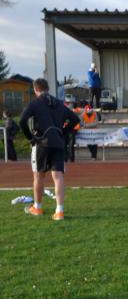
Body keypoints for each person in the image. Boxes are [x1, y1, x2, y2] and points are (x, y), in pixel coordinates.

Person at [19, 78, 80, 221]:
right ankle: (59, 211)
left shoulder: (35, 103)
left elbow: (22, 120)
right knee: (58, 176)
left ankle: (37, 207)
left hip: (41, 143)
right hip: (58, 143)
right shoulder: (58, 103)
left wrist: (30, 137)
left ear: (36, 90)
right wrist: (62, 133)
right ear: (48, 89)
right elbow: (75, 119)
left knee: (38, 176)